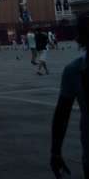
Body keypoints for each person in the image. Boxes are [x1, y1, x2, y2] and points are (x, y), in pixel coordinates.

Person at [51, 13, 89, 179]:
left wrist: (55, 152)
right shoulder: (74, 70)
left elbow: (61, 115)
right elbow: (61, 114)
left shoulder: (73, 70)